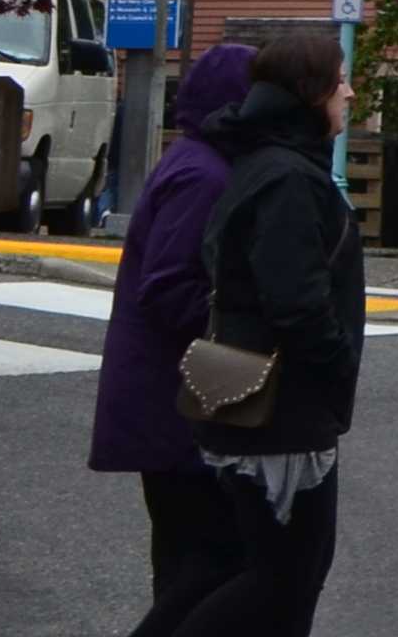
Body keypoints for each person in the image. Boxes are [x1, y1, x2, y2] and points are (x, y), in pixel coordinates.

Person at [185, 29, 365, 637]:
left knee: (289, 577)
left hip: (269, 402)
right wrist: (337, 361)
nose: (350, 91)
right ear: (309, 91)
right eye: (340, 80)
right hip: (279, 410)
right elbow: (294, 299)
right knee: (283, 576)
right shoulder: (287, 175)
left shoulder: (265, 161)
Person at [91, 42, 261, 637]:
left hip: (163, 395)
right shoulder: (203, 174)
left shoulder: (198, 160)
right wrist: (248, 329)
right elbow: (168, 286)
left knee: (187, 556)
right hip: (173, 400)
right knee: (226, 554)